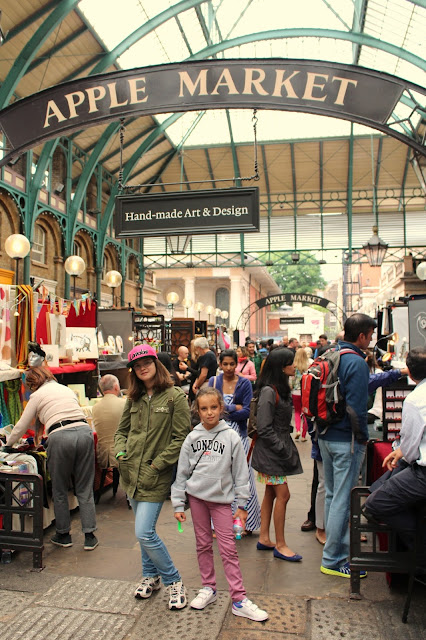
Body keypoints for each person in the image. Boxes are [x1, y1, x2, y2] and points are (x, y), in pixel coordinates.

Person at [171, 387, 268, 622]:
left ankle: (238, 598)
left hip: (222, 502)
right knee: (203, 544)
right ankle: (208, 588)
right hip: (196, 499)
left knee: (228, 549)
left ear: (221, 408)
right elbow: (181, 472)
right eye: (204, 409)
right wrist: (177, 503)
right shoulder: (192, 437)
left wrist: (242, 505)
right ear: (197, 410)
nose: (209, 413)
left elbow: (241, 473)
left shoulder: (231, 437)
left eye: (213, 407)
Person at [114, 344, 191, 609]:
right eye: (137, 365)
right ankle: (150, 576)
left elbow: (182, 438)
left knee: (145, 532)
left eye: (146, 362)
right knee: (142, 532)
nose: (142, 367)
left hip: (155, 476)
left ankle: (175, 581)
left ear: (156, 364)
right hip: (130, 474)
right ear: (133, 371)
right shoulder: (133, 398)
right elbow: (121, 431)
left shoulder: (174, 397)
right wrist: (121, 453)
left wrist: (158, 465)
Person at [6, 366, 98, 550]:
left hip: (61, 436)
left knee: (60, 488)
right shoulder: (64, 389)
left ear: (32, 382)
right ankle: (90, 536)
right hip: (84, 431)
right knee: (84, 487)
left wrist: (7, 444)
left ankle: (63, 534)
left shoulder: (37, 395)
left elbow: (22, 425)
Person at [318, 312, 377, 579]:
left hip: (326, 435)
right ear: (362, 336)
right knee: (343, 497)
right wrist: (363, 437)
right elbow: (357, 409)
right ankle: (334, 559)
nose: (372, 339)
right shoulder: (357, 362)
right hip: (346, 441)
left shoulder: (331, 355)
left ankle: (335, 549)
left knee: (332, 495)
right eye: (371, 334)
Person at [364, 346, 426, 567]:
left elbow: (409, 451)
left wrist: (402, 451)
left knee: (375, 504)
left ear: (408, 371)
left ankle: (420, 548)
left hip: (422, 472)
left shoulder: (416, 399)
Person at [251, 348, 303, 561]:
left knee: (271, 494)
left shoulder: (276, 389)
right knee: (283, 495)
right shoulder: (269, 391)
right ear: (282, 367)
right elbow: (264, 427)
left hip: (273, 450)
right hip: (271, 452)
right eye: (291, 363)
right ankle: (280, 544)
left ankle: (265, 537)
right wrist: (281, 448)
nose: (295, 366)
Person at [208, 349, 261, 533]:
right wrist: (232, 407)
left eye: (232, 364)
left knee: (243, 478)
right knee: (218, 478)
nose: (229, 368)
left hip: (240, 436)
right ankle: (218, 525)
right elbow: (210, 409)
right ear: (220, 364)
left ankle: (246, 523)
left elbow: (246, 411)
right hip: (217, 437)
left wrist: (223, 409)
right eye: (225, 364)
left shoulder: (245, 383)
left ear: (236, 364)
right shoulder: (213, 381)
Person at [92, 374, 126, 498]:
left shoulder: (95, 407)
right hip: (123, 453)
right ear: (116, 387)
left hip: (103, 454)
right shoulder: (124, 404)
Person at [291, 347, 309, 441]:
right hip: (305, 392)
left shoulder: (294, 366)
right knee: (305, 413)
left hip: (295, 391)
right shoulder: (309, 365)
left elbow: (291, 381)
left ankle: (297, 430)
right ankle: (303, 435)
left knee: (297, 412)